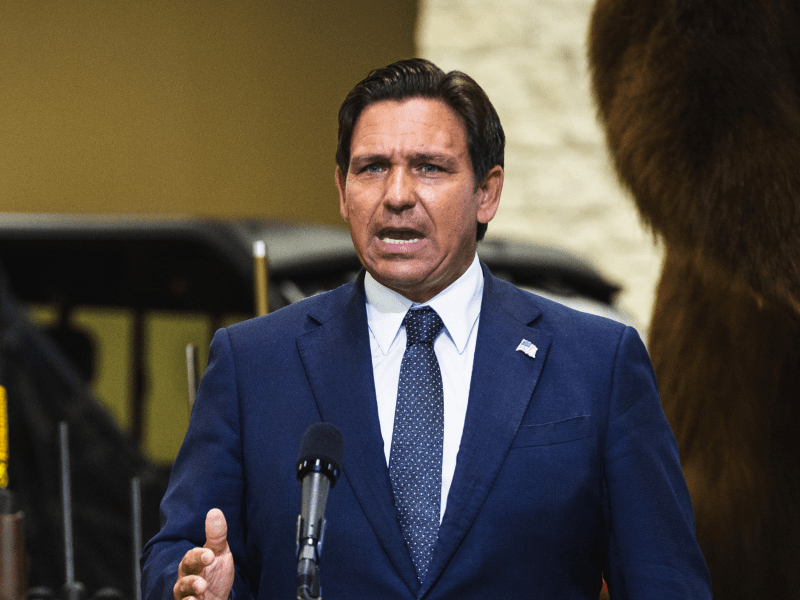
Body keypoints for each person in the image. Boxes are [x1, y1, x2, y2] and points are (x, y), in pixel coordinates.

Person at [141, 58, 712, 599]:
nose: (396, 196)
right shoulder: (254, 363)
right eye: (372, 168)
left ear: (487, 192)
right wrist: (190, 582)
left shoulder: (598, 365)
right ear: (342, 191)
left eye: (429, 168)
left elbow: (665, 579)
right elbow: (180, 552)